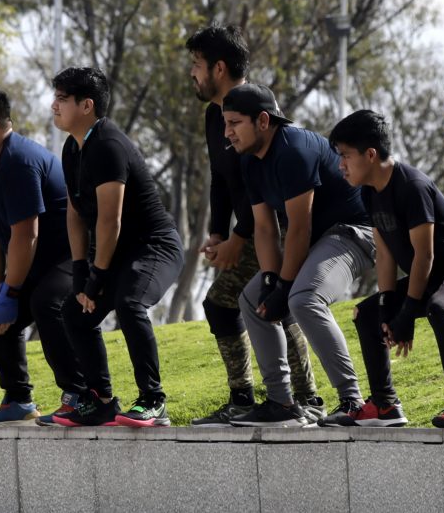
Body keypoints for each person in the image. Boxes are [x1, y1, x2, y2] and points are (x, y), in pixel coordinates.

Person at [184, 24, 322, 426]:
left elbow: (259, 185)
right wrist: (216, 233)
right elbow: (221, 179)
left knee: (266, 301)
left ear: (219, 68)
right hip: (247, 229)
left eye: (196, 64)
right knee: (235, 304)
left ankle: (302, 397)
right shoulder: (215, 116)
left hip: (273, 228)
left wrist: (238, 238)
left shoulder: (257, 110)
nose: (192, 73)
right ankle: (252, 397)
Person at [220, 84, 374, 427]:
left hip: (357, 232)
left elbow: (299, 228)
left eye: (234, 123)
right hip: (318, 240)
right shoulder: (249, 160)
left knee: (304, 299)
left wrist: (285, 287)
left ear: (262, 121)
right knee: (252, 299)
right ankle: (282, 404)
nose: (227, 132)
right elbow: (265, 229)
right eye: (225, 124)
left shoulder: (293, 150)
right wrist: (273, 282)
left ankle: (353, 402)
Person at [328, 109, 444, 427]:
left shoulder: (411, 185)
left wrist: (407, 313)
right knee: (369, 313)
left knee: (440, 308)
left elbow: (424, 255)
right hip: (433, 276)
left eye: (346, 156)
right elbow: (386, 253)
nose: (341, 165)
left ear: (371, 154)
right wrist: (389, 304)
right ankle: (385, 405)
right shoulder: (370, 191)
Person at [49, 67, 184, 428]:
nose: (53, 106)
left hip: (154, 246)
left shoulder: (108, 145)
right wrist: (81, 274)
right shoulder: (72, 148)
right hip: (118, 252)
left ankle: (154, 401)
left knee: (129, 303)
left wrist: (99, 276)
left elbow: (111, 220)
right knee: (75, 313)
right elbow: (76, 215)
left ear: (86, 105)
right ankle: (101, 400)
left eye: (62, 99)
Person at [0, 85, 87, 426]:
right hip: (32, 260)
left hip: (70, 255)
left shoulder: (18, 160)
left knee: (46, 303)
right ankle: (18, 399)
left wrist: (12, 291)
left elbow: (25, 233)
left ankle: (81, 396)